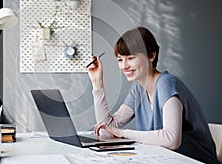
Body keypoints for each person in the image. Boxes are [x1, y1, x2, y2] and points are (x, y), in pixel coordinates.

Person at [87, 27, 218, 163]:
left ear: (151, 56)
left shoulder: (166, 83)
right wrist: (97, 83)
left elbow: (171, 139)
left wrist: (123, 133)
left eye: (130, 58)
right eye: (120, 60)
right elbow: (106, 131)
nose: (124, 66)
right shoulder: (138, 92)